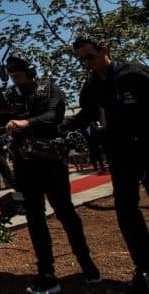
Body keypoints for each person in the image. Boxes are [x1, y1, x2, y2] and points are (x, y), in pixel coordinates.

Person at [3, 52, 100, 294]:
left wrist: (27, 123)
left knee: (66, 212)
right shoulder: (10, 97)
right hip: (25, 164)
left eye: (19, 75)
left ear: (31, 72)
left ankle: (87, 263)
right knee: (35, 218)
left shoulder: (49, 89)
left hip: (51, 161)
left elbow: (53, 116)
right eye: (12, 76)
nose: (16, 80)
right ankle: (46, 271)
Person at [64, 37, 149, 292]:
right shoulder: (91, 87)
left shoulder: (134, 74)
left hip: (147, 147)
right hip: (120, 154)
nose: (88, 63)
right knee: (126, 210)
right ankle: (144, 265)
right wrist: (57, 129)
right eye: (82, 60)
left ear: (105, 49)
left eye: (91, 57)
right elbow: (85, 116)